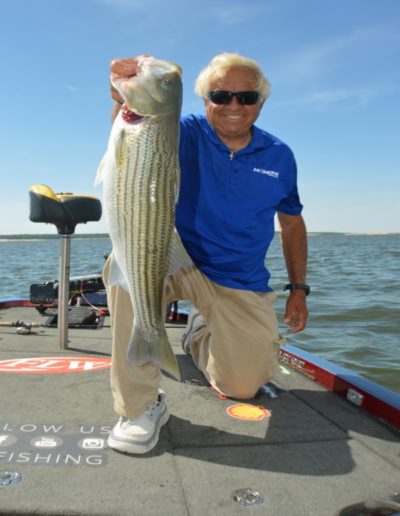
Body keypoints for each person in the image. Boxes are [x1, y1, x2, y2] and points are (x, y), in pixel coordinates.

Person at [105, 53, 309, 455]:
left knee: (242, 387)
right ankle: (140, 407)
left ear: (261, 104)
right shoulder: (176, 130)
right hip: (169, 257)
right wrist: (120, 95)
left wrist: (299, 288)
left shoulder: (280, 156)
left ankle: (198, 333)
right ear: (205, 101)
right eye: (221, 95)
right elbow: (129, 140)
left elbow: (292, 223)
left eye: (246, 96)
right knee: (123, 267)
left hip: (236, 277)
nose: (234, 105)